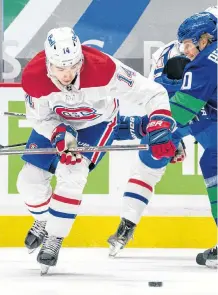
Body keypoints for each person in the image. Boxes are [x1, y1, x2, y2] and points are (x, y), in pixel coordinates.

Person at [16, 26, 176, 274]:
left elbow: (153, 93)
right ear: (49, 63)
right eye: (60, 67)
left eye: (73, 65)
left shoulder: (104, 68)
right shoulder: (34, 77)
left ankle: (54, 238)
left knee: (74, 172)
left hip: (96, 123)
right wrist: (58, 132)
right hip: (57, 122)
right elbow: (38, 118)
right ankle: (44, 220)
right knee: (29, 181)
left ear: (81, 57)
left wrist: (160, 124)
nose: (67, 74)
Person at [108, 11, 217, 269]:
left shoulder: (205, 61)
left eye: (190, 45)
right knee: (210, 164)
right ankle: (127, 224)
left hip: (203, 117)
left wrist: (143, 127)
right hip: (205, 117)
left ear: (205, 39)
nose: (188, 51)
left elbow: (180, 109)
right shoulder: (187, 57)